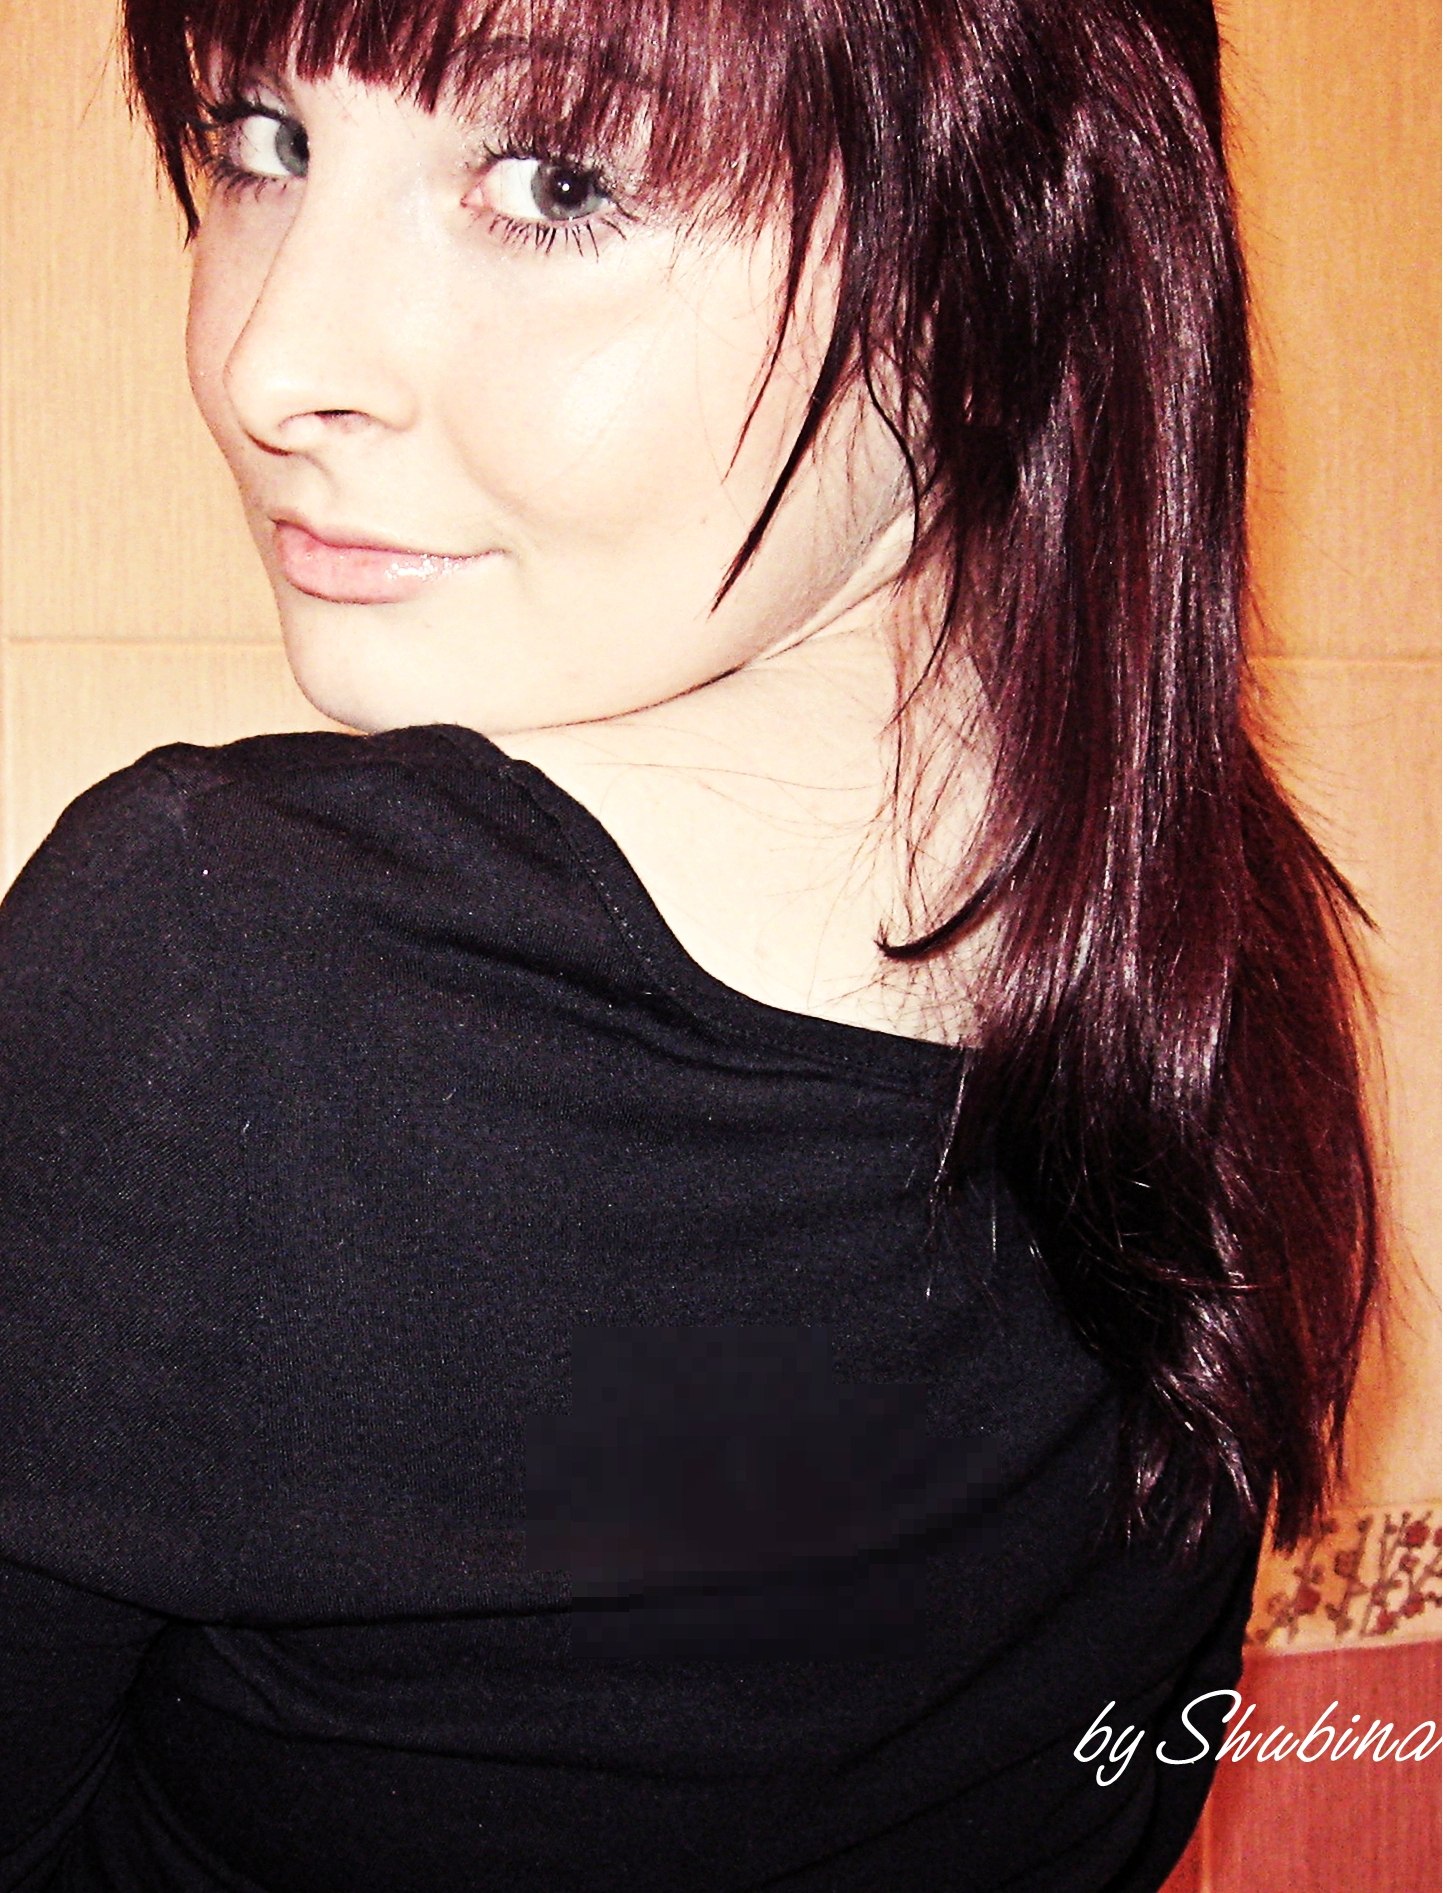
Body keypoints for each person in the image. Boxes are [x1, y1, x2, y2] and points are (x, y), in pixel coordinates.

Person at [0, 0, 1381, 1886]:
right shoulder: (1217, 957)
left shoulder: (228, 968)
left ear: (1002, 259)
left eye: (557, 180)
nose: (271, 362)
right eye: (264, 142)